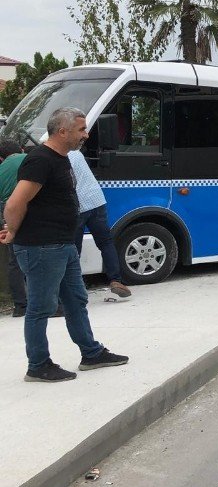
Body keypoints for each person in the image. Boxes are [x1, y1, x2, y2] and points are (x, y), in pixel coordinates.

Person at [0, 108, 128, 382]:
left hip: (63, 245)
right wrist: (12, 231)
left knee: (76, 301)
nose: (86, 134)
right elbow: (14, 203)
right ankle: (38, 365)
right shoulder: (40, 161)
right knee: (40, 307)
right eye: (81, 129)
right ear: (62, 131)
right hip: (42, 247)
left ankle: (91, 353)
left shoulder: (63, 158)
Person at [69, 150, 132, 299]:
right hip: (96, 200)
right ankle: (116, 280)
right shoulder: (77, 153)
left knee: (73, 248)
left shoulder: (58, 156)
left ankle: (76, 286)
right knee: (105, 242)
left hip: (77, 206)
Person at [0, 140, 28, 317]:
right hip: (28, 207)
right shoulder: (30, 159)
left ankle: (20, 306)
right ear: (22, 150)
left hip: (5, 209)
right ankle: (52, 303)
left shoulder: (2, 168)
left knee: (14, 259)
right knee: (38, 254)